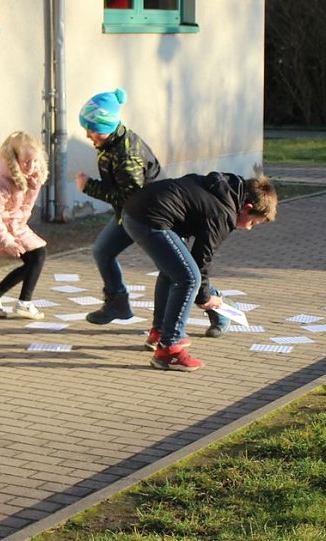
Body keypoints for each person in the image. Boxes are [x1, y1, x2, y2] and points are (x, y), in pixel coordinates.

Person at [121, 168, 278, 371]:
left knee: (174, 272)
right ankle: (170, 350)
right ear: (247, 208)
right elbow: (202, 259)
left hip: (136, 210)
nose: (249, 228)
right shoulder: (224, 213)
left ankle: (160, 332)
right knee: (189, 279)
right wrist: (204, 298)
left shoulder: (225, 189)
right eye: (253, 223)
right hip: (149, 219)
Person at [75, 87, 162, 325]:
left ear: (106, 126)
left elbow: (131, 197)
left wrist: (89, 187)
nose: (87, 135)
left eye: (91, 130)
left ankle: (216, 307)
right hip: (132, 213)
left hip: (154, 215)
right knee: (103, 251)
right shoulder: (111, 142)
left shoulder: (126, 154)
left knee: (177, 269)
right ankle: (118, 304)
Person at [0, 131, 49, 320]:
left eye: (34, 161)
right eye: (26, 161)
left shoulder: (31, 175)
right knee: (37, 257)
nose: (31, 166)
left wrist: (33, 186)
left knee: (36, 259)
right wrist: (7, 241)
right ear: (14, 159)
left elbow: (24, 207)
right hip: (0, 229)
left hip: (16, 224)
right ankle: (22, 302)